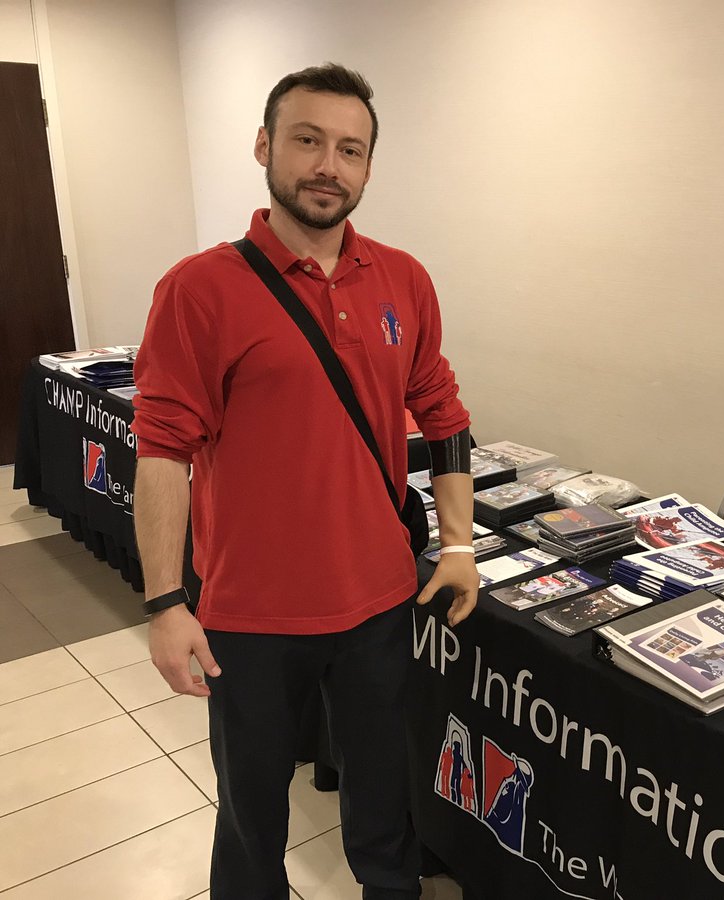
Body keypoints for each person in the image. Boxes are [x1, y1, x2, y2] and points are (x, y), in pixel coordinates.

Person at [131, 63, 479, 900]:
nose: (328, 165)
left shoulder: (403, 278)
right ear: (265, 146)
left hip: (379, 599)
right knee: (252, 811)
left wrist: (461, 546)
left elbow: (443, 412)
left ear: (368, 166)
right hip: (251, 613)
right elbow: (162, 452)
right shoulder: (199, 289)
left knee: (383, 796)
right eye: (308, 140)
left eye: (350, 149)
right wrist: (166, 602)